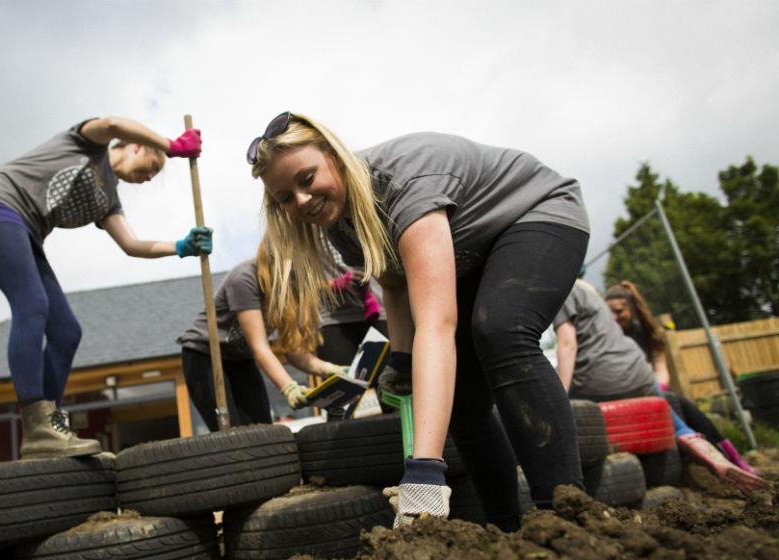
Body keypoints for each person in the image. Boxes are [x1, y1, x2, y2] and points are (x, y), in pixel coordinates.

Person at [248, 112, 590, 530]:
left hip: (536, 213)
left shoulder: (403, 184)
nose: (300, 201)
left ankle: (566, 518)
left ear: (334, 156)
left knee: (501, 330)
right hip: (472, 252)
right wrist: (402, 358)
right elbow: (394, 285)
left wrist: (424, 471)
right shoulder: (340, 224)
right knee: (462, 397)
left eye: (306, 178)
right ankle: (507, 529)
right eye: (285, 197)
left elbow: (437, 323)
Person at [0, 116, 212, 459]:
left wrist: (182, 247)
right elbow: (110, 124)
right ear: (136, 145)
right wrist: (173, 146)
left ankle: (49, 427)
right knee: (33, 304)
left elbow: (132, 245)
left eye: (155, 173)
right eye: (152, 165)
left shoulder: (108, 199)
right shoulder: (88, 143)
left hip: (25, 232)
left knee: (66, 332)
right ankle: (38, 425)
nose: (151, 176)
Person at [554, 279, 767, 493]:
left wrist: (558, 396)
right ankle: (701, 445)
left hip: (599, 379)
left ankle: (561, 472)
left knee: (564, 405)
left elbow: (567, 344)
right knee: (677, 420)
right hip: (641, 376)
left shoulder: (560, 291)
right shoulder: (591, 295)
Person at [178, 235, 347, 431]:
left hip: (240, 358)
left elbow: (294, 352)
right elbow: (260, 348)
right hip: (205, 354)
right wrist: (289, 388)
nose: (292, 278)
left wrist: (331, 369)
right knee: (230, 429)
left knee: (261, 425)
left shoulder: (288, 288)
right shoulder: (244, 279)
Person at [603, 281, 757, 474]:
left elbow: (660, 365)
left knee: (685, 406)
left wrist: (659, 386)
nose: (615, 317)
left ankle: (730, 457)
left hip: (650, 386)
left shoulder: (645, 332)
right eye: (610, 313)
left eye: (619, 311)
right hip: (623, 390)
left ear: (631, 309)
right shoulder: (607, 337)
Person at [317, 247, 388, 420]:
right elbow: (296, 283)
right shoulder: (304, 227)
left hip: (378, 312)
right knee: (338, 405)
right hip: (333, 320)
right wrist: (335, 285)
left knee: (392, 393)